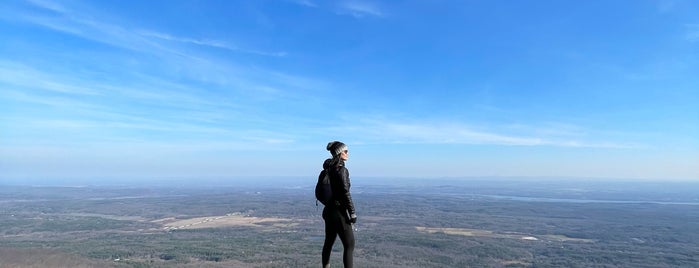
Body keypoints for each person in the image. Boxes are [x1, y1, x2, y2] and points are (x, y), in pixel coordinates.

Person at [321, 141, 357, 268]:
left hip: (328, 211)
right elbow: (345, 193)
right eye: (345, 151)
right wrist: (352, 213)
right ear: (339, 153)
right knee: (349, 245)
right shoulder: (342, 170)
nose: (347, 153)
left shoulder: (327, 169)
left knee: (329, 242)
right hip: (339, 212)